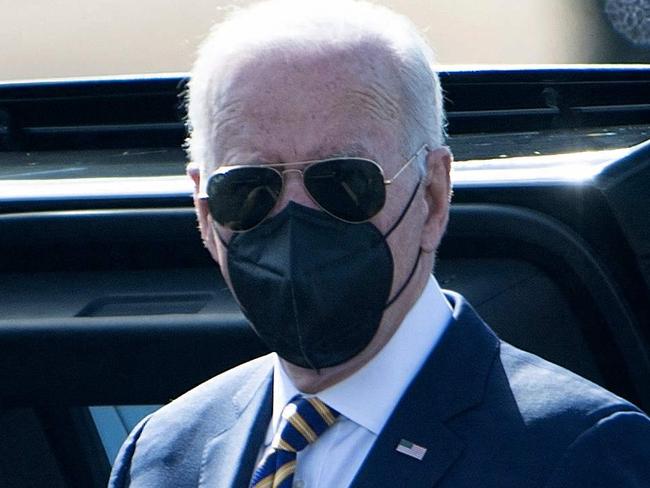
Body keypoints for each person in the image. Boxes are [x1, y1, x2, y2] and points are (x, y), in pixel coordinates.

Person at [109, 1, 650, 486]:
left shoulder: (577, 453)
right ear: (205, 214)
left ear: (433, 196)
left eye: (343, 181)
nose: (294, 218)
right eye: (250, 188)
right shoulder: (162, 454)